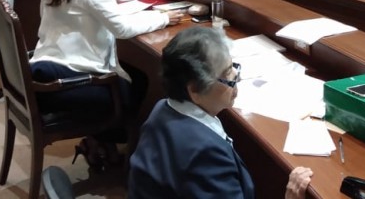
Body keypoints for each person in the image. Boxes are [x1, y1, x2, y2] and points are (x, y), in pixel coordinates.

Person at [31, 0, 181, 167]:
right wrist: (163, 18)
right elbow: (121, 28)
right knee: (137, 84)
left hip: (49, 62)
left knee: (136, 77)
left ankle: (100, 142)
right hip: (68, 76)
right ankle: (109, 146)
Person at [128, 27, 313, 199]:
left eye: (233, 66)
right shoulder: (204, 153)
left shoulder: (163, 107)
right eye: (226, 74)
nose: (235, 77)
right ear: (195, 90)